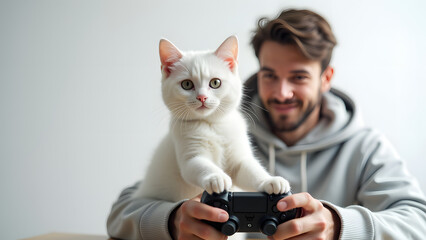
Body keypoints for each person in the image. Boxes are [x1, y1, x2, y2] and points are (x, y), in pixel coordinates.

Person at [107, 9, 426, 240]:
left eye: (299, 77)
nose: (281, 92)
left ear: (326, 79)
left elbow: (419, 222)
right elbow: (122, 211)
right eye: (270, 75)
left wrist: (338, 226)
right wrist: (172, 221)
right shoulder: (220, 125)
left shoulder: (366, 147)